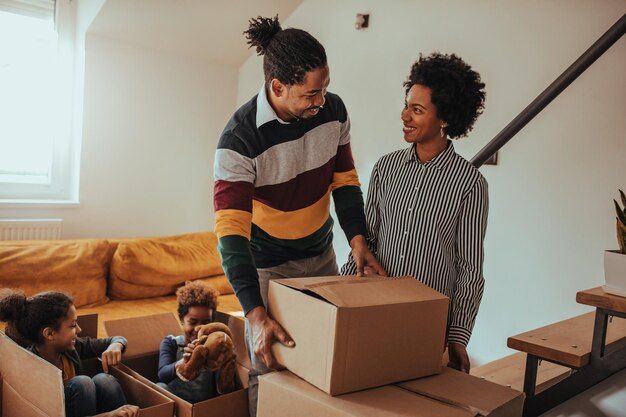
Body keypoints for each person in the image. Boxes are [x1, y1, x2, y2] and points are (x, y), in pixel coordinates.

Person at [213, 15, 385, 415]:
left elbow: (344, 180)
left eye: (324, 89)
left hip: (321, 255)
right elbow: (231, 234)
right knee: (269, 367)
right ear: (278, 87)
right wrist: (255, 315)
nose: (321, 101)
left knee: (323, 358)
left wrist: (357, 240)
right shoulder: (238, 141)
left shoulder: (334, 112)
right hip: (268, 267)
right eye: (311, 94)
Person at [342, 52, 489, 373]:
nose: (404, 115)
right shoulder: (386, 167)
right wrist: (341, 290)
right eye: (407, 104)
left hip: (426, 323)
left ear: (445, 119)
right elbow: (366, 243)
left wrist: (458, 337)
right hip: (373, 310)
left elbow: (469, 267)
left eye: (417, 110)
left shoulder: (470, 183)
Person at [0, 289, 139, 417]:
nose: (79, 329)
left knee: (104, 380)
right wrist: (109, 415)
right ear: (49, 333)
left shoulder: (72, 348)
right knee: (82, 382)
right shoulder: (33, 370)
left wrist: (115, 345)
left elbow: (115, 339)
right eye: (73, 325)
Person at [157, 281, 226, 402]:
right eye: (193, 322)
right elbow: (162, 374)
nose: (198, 328)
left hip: (203, 407)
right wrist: (184, 362)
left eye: (205, 323)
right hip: (176, 406)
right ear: (182, 320)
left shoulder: (213, 348)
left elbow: (220, 389)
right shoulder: (171, 342)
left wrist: (220, 363)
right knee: (160, 387)